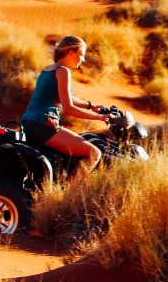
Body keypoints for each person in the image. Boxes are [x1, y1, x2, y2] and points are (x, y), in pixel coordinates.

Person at [22, 35, 108, 179]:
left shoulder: (48, 69)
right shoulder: (63, 71)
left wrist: (91, 106)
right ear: (70, 53)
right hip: (43, 124)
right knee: (93, 153)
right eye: (81, 55)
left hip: (30, 122)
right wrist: (101, 117)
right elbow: (68, 108)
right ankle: (66, 196)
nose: (82, 59)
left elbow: (64, 96)